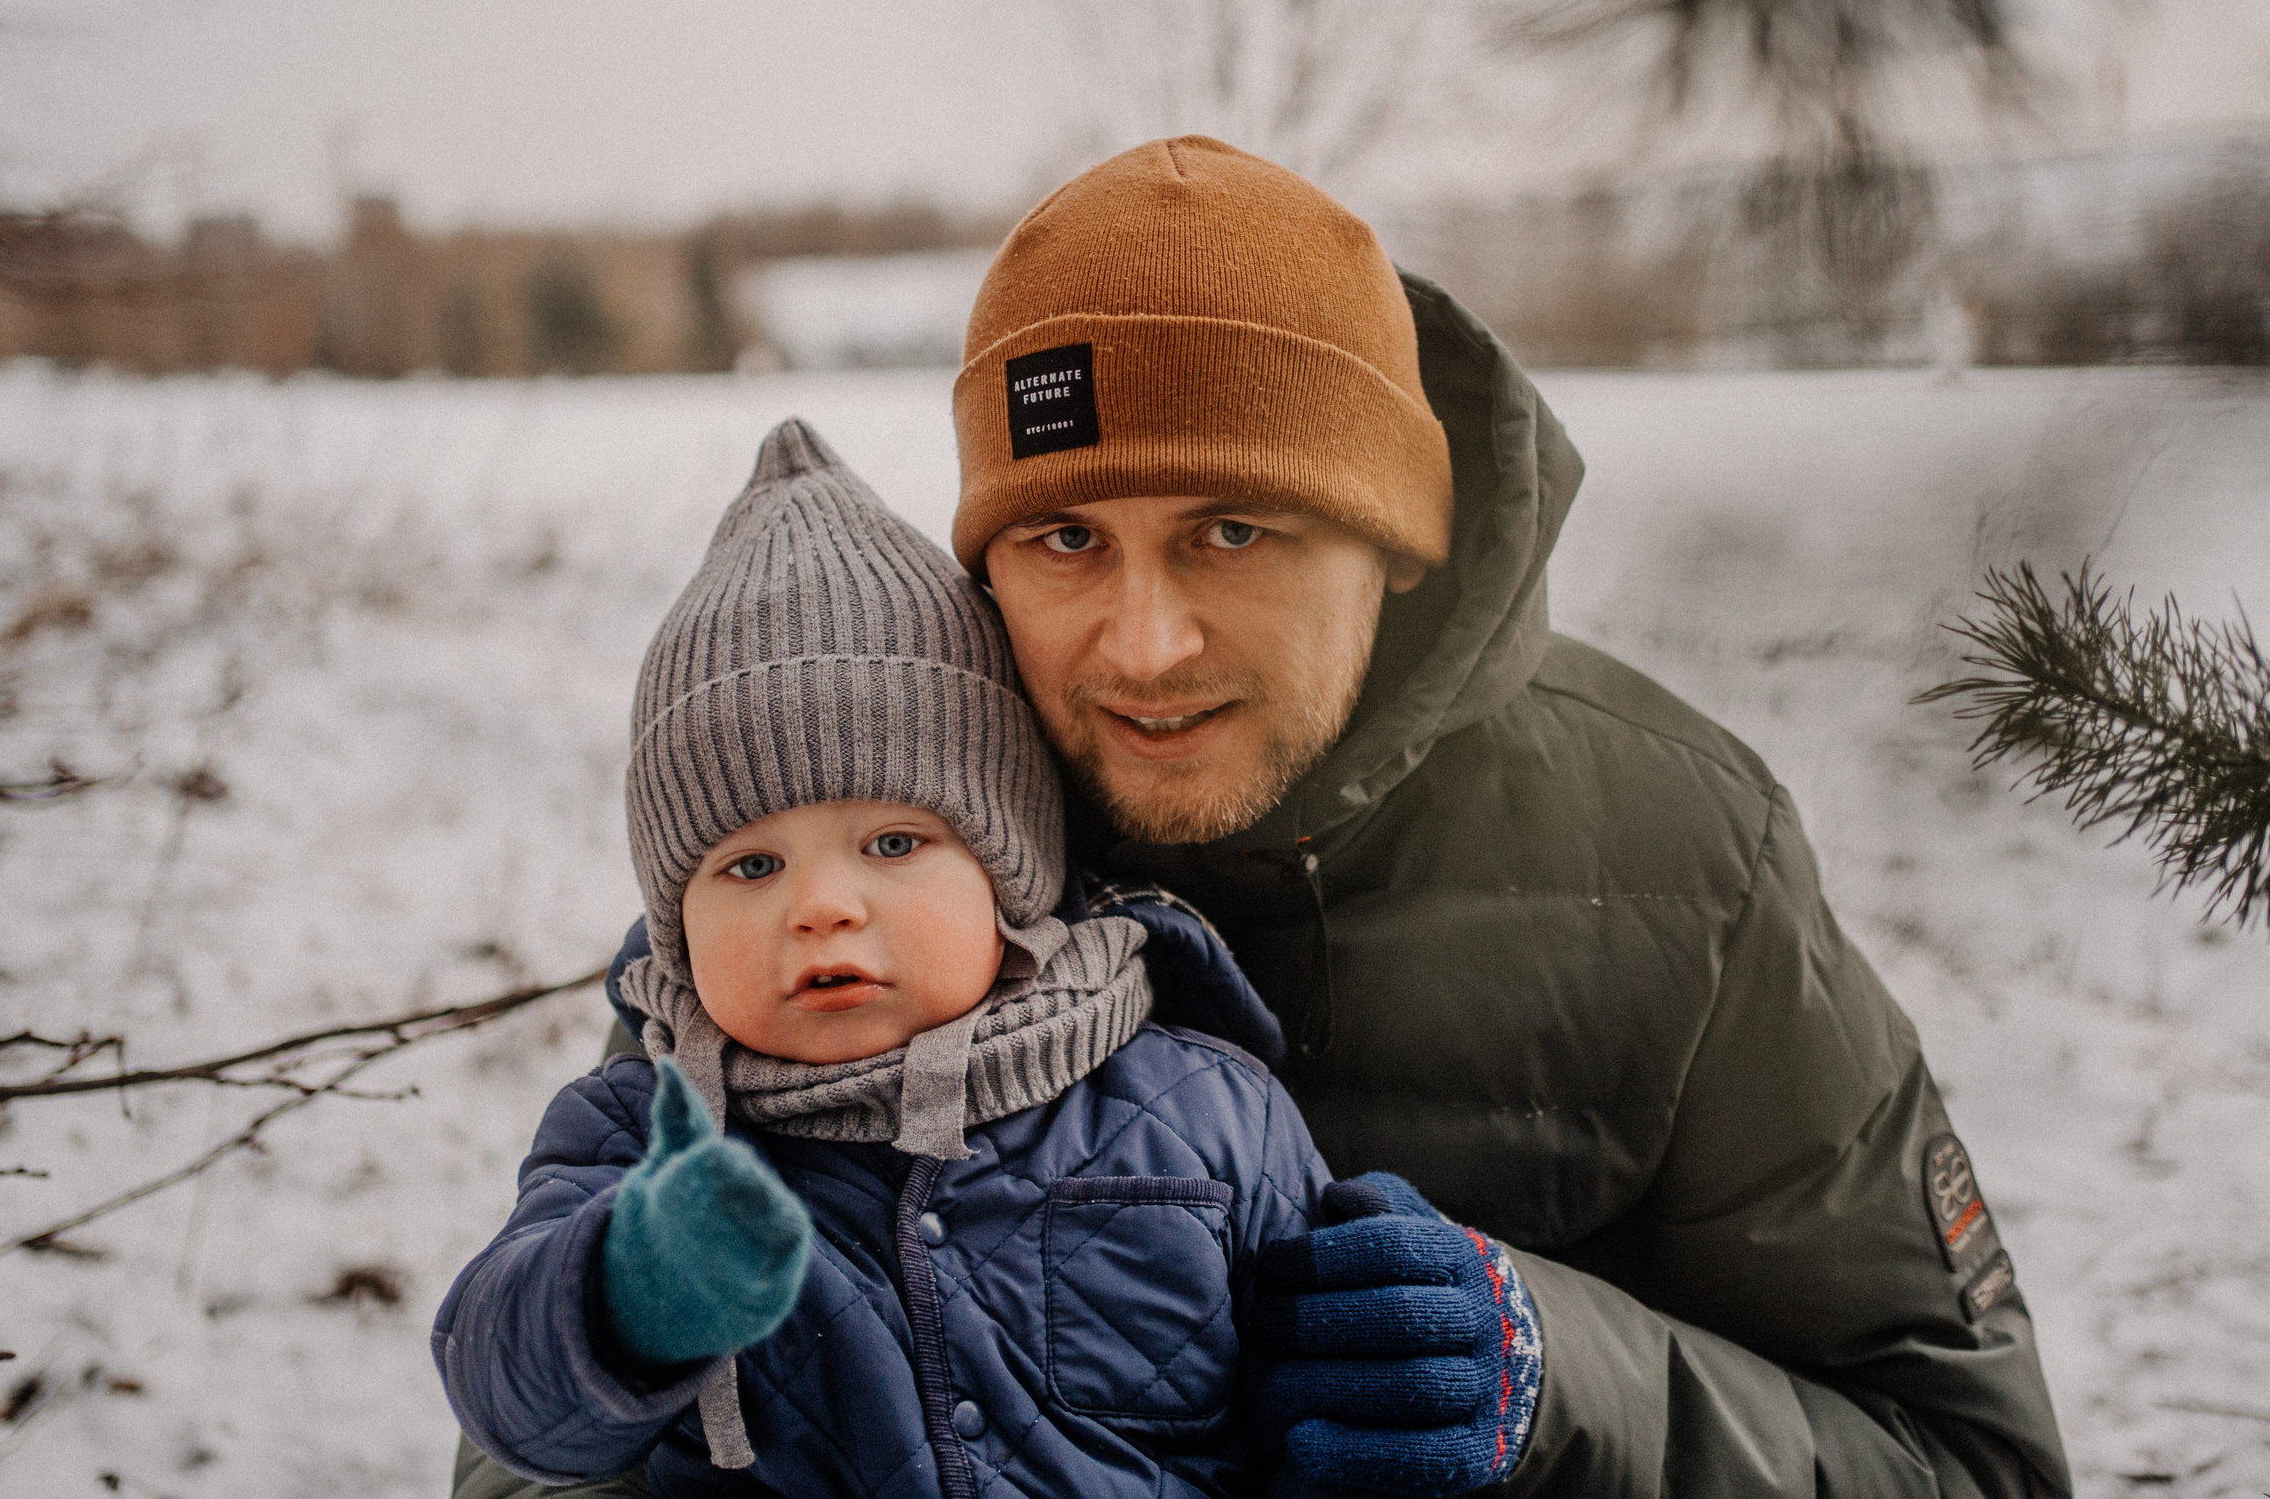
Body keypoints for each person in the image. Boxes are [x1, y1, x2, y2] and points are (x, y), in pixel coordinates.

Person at [454, 137, 2071, 1498]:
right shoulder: (878, 834)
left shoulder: (1679, 850)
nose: (1143, 649)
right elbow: (532, 1442)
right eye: (1066, 537)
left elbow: (1962, 1456)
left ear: (1397, 541)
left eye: (1235, 529)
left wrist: (1546, 1373)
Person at [437, 420, 1545, 1494]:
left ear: (1009, 873)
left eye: (892, 842)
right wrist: (622, 1296)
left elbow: (1321, 1420)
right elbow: (506, 1396)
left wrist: (1428, 1382)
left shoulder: (1204, 1107)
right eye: (749, 866)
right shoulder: (642, 1132)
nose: (822, 906)